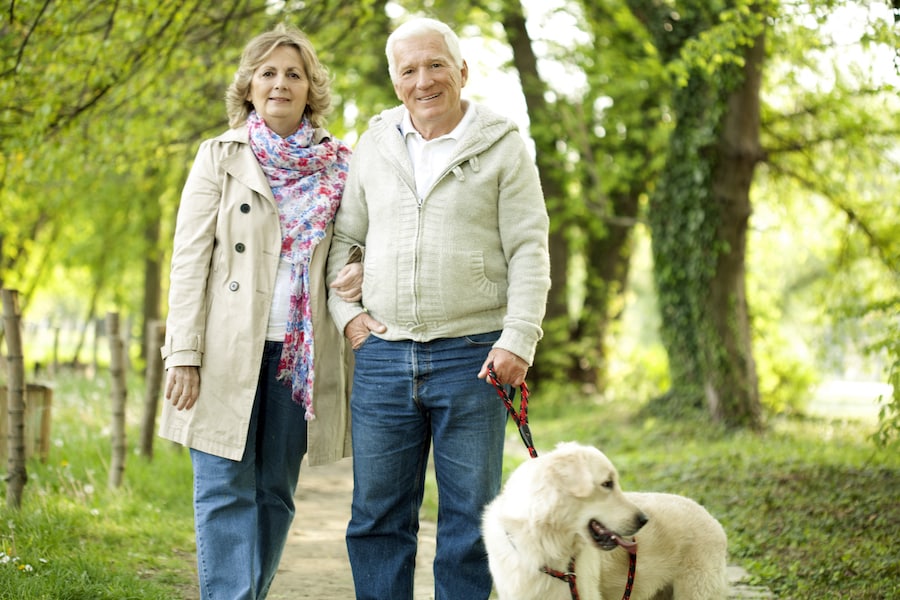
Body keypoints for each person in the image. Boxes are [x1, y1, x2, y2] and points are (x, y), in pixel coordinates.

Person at [325, 17, 551, 600]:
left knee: (471, 524)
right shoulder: (374, 144)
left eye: (435, 66)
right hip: (381, 355)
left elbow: (529, 247)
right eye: (409, 70)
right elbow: (342, 238)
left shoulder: (503, 144)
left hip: (475, 356)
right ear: (395, 80)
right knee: (376, 520)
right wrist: (346, 315)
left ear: (461, 72)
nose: (423, 80)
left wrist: (518, 339)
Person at [159, 24, 361, 600]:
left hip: (300, 357)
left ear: (310, 89)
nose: (280, 83)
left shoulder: (340, 165)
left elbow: (359, 244)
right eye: (267, 73)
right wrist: (184, 353)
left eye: (293, 74)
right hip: (224, 350)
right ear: (248, 86)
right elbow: (189, 260)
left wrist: (363, 265)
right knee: (223, 488)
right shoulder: (218, 156)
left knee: (274, 492)